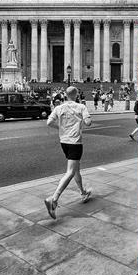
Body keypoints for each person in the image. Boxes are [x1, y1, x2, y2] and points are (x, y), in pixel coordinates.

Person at [44, 86, 92, 219]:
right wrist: (86, 119)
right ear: (76, 95)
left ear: (65, 95)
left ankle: (83, 192)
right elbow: (88, 123)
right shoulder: (81, 107)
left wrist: (61, 128)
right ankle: (53, 199)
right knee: (70, 171)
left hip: (63, 141)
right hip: (75, 142)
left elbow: (49, 123)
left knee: (76, 169)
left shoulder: (59, 108)